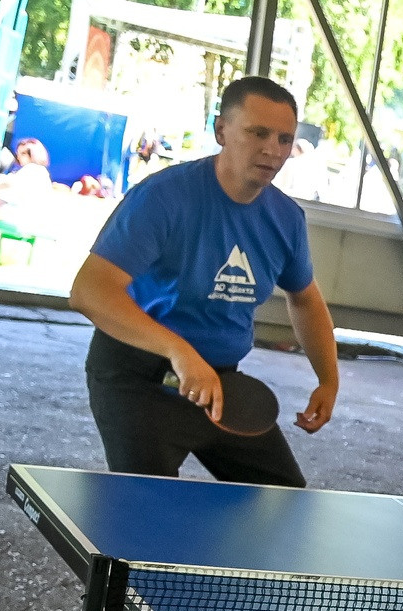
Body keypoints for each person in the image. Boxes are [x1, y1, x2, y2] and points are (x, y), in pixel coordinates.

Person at [68, 76, 339, 490]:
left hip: (221, 384)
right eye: (258, 132)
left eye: (285, 139)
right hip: (136, 379)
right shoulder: (163, 197)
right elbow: (89, 291)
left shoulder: (286, 219)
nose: (273, 149)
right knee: (148, 516)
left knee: (283, 504)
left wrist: (328, 379)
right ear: (221, 131)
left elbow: (304, 300)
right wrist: (179, 351)